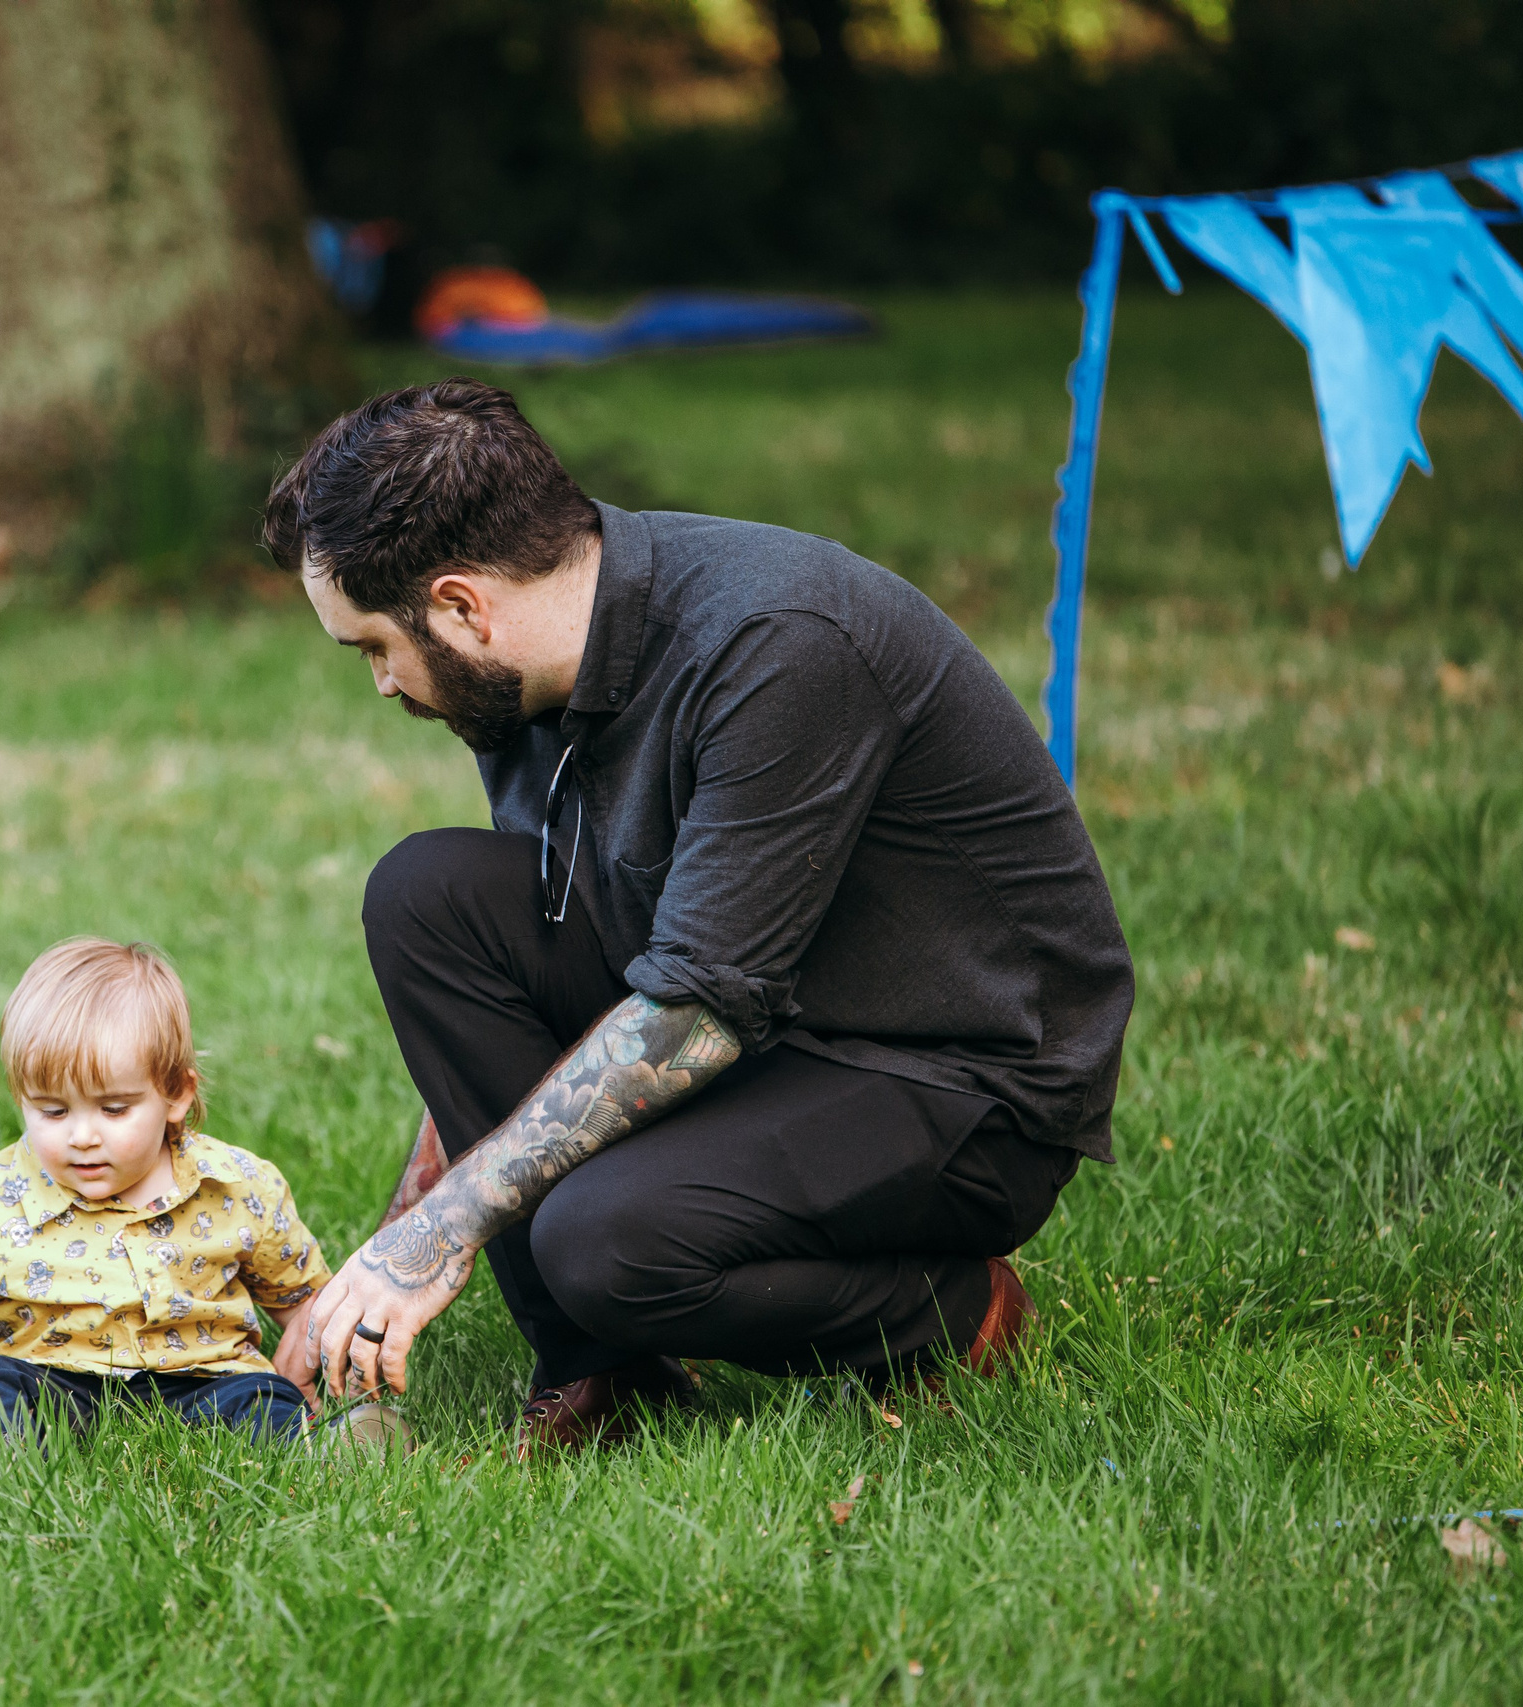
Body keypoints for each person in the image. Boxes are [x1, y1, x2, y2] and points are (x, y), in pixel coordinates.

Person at [263, 379, 1135, 1457]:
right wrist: (387, 1251)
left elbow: (694, 1015)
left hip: (954, 1079)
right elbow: (529, 992)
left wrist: (445, 1232)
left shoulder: (777, 642)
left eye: (373, 648)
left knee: (604, 1241)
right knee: (427, 893)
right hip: (751, 1017)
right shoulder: (518, 683)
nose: (384, 686)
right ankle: (601, 1369)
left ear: (461, 608)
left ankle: (946, 1313)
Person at [0, 938, 332, 1450]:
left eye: (114, 1109)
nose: (82, 1135)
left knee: (263, 1397)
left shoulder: (236, 1187)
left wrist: (334, 1353)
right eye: (53, 1111)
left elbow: (301, 1296)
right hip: (54, 1382)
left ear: (175, 1094)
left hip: (203, 1382)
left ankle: (323, 1445)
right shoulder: (0, 1198)